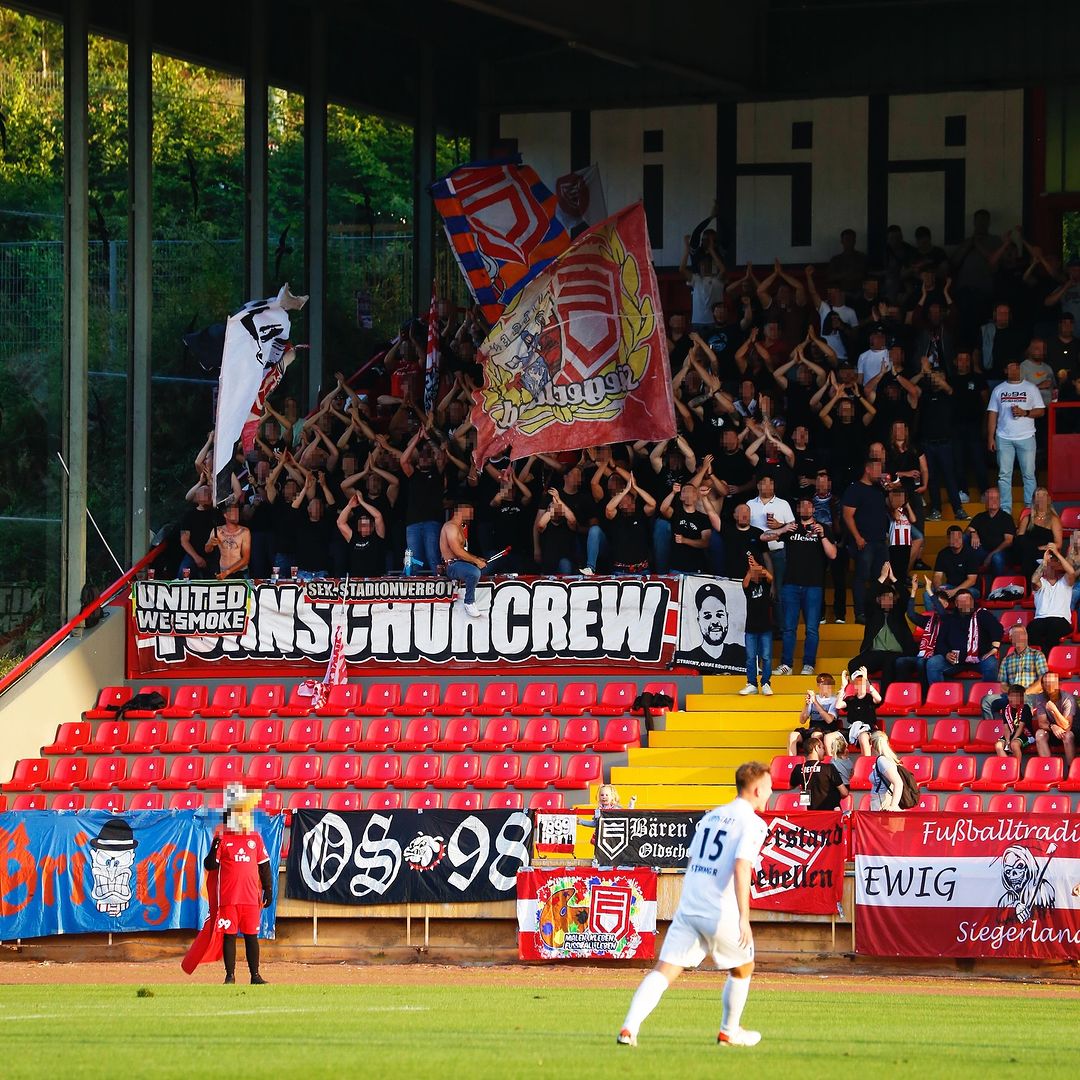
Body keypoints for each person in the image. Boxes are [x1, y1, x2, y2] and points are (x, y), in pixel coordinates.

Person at [617, 761, 772, 1049]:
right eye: (769, 788)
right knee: (743, 967)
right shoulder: (753, 823)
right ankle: (729, 1031)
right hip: (719, 909)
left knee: (665, 970)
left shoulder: (713, 817)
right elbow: (741, 866)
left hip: (689, 905)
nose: (771, 793)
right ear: (757, 788)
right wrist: (743, 917)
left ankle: (629, 1027)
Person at [202, 783, 272, 985]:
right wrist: (215, 846)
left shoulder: (255, 839)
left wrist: (268, 889)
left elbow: (264, 865)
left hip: (250, 898)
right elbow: (210, 865)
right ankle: (230, 975)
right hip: (229, 897)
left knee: (252, 936)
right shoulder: (222, 839)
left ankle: (255, 976)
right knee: (229, 936)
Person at [770, 496, 837, 676]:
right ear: (798, 510)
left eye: (809, 506)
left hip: (813, 586)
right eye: (802, 506)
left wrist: (822, 534)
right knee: (789, 628)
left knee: (812, 629)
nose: (806, 509)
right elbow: (768, 538)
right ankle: (787, 665)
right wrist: (783, 527)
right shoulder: (792, 528)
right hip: (790, 585)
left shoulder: (824, 528)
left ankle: (809, 664)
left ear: (814, 510)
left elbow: (833, 554)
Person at [987, 360, 1044, 514]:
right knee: (1004, 475)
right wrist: (990, 437)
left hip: (1026, 436)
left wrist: (1024, 412)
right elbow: (993, 414)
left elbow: (1041, 411)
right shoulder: (999, 389)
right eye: (1011, 367)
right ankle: (1006, 511)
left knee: (1029, 475)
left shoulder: (1030, 388)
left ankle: (1029, 510)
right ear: (1005, 370)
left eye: (1017, 367)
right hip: (1004, 437)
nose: (1015, 370)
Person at [841, 457, 890, 624]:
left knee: (880, 578)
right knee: (862, 577)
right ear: (868, 469)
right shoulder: (855, 489)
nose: (880, 474)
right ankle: (860, 613)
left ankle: (876, 612)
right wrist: (858, 537)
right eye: (877, 470)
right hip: (865, 541)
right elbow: (848, 516)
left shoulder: (879, 490)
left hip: (880, 541)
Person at [848, 574, 916, 693]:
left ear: (895, 600)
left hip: (896, 654)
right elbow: (868, 596)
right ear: (878, 600)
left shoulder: (898, 613)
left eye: (890, 598)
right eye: (884, 598)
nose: (887, 600)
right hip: (875, 654)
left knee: (889, 664)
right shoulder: (873, 614)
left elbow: (905, 596)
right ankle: (863, 693)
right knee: (853, 664)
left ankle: (885, 698)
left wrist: (894, 579)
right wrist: (883, 577)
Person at [926, 590, 1004, 683]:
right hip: (955, 661)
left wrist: (995, 647)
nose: (965, 604)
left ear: (972, 602)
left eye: (968, 601)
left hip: (979, 658)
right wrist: (946, 654)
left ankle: (988, 695)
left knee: (991, 663)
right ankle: (939, 695)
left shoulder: (982, 614)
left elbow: (997, 629)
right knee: (933, 663)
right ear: (956, 603)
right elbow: (940, 642)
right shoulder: (950, 619)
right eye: (962, 602)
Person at [980, 624, 1048, 720]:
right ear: (1011, 638)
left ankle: (1023, 732)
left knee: (1024, 699)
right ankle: (992, 730)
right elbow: (1003, 685)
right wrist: (1013, 694)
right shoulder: (1006, 660)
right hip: (1011, 695)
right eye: (1015, 635)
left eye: (1022, 634)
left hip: (1032, 695)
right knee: (986, 701)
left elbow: (1043, 681)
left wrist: (1024, 693)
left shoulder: (1037, 655)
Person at [682, 582, 747, 670]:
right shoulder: (688, 658)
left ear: (727, 617)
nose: (715, 621)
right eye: (707, 616)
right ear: (699, 620)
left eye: (719, 615)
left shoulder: (741, 654)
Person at [439, 500, 486, 618]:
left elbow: (462, 551)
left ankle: (459, 589)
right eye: (470, 513)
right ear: (462, 511)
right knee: (474, 572)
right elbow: (457, 551)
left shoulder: (460, 528)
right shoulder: (450, 526)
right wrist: (475, 561)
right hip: (452, 566)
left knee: (483, 569)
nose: (471, 517)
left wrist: (477, 558)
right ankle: (469, 602)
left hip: (459, 563)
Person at [1028, 544, 1077, 654]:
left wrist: (1057, 553)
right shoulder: (1041, 584)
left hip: (1060, 620)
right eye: (1048, 566)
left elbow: (1071, 572)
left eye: (1053, 565)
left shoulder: (1065, 581)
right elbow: (1034, 580)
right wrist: (1044, 562)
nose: (1050, 567)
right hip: (1040, 620)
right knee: (1032, 628)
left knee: (1054, 627)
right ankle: (1040, 658)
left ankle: (1048, 658)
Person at [739, 556, 774, 697]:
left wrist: (758, 567)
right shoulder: (749, 588)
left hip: (766, 627)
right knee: (750, 657)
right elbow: (744, 584)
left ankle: (766, 683)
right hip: (751, 628)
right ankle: (751, 684)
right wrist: (750, 570)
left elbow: (770, 577)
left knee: (766, 657)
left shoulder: (765, 584)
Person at [966, 487, 1016, 582]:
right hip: (982, 550)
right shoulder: (980, 517)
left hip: (1001, 552)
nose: (993, 501)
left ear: (999, 501)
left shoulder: (1006, 518)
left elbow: (1008, 541)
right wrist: (973, 533)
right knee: (965, 540)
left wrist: (991, 555)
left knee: (996, 558)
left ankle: (997, 587)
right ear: (985, 501)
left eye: (996, 498)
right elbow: (968, 530)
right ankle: (970, 582)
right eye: (990, 498)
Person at [1030, 671, 1076, 772]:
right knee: (1039, 734)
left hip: (1066, 732)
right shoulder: (1040, 697)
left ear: (1059, 684)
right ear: (1042, 685)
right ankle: (1049, 770)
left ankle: (1072, 770)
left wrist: (1053, 709)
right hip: (1051, 731)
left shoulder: (1068, 698)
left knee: (1068, 735)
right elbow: (1041, 723)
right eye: (1046, 683)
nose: (1049, 686)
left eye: (1052, 683)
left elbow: (1067, 726)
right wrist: (1052, 726)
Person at [789, 735, 849, 810]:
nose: (824, 751)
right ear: (817, 748)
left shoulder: (798, 768)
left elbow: (791, 786)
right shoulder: (829, 768)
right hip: (830, 815)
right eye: (823, 748)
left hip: (811, 814)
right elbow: (844, 793)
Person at [787, 673, 841, 754]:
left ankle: (815, 761)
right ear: (818, 685)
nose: (826, 686)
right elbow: (802, 720)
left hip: (827, 729)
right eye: (822, 683)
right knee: (793, 735)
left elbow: (829, 720)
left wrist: (815, 702)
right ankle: (791, 763)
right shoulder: (814, 698)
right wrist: (807, 704)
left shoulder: (834, 700)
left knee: (815, 735)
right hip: (813, 727)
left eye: (828, 683)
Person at [837, 666, 882, 755]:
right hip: (853, 729)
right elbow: (838, 705)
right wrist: (843, 686)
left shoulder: (870, 697)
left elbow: (878, 699)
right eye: (857, 682)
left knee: (863, 737)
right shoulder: (851, 699)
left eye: (862, 681)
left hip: (868, 729)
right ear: (854, 685)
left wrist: (867, 682)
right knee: (829, 737)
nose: (860, 684)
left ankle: (866, 764)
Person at [933, 525, 982, 606]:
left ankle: (963, 618)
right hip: (950, 587)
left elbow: (972, 580)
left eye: (959, 538)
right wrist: (938, 589)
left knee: (963, 596)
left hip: (969, 589)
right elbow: (937, 575)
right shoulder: (943, 554)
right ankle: (934, 618)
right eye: (953, 538)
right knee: (928, 595)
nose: (957, 540)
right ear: (948, 539)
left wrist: (954, 591)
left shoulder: (971, 553)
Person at [205, 503, 251, 579]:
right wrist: (210, 543)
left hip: (240, 572)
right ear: (225, 515)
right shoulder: (217, 530)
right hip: (222, 572)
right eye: (233, 513)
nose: (236, 515)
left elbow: (246, 559)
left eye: (237, 512)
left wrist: (227, 572)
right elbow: (207, 550)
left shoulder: (244, 531)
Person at [992, 684, 1036, 763]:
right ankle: (1009, 768)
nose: (1015, 699)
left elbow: (1021, 727)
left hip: (1025, 734)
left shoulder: (1025, 708)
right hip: (1011, 734)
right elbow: (1006, 728)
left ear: (1021, 698)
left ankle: (1017, 770)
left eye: (1018, 696)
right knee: (998, 746)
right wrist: (1008, 740)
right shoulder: (1005, 709)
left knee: (1014, 744)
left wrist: (1012, 741)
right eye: (1012, 696)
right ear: (1008, 697)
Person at [868, 730, 905, 811]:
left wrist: (893, 806)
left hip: (883, 803)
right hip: (880, 802)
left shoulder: (882, 760)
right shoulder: (884, 760)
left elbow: (898, 783)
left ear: (873, 745)